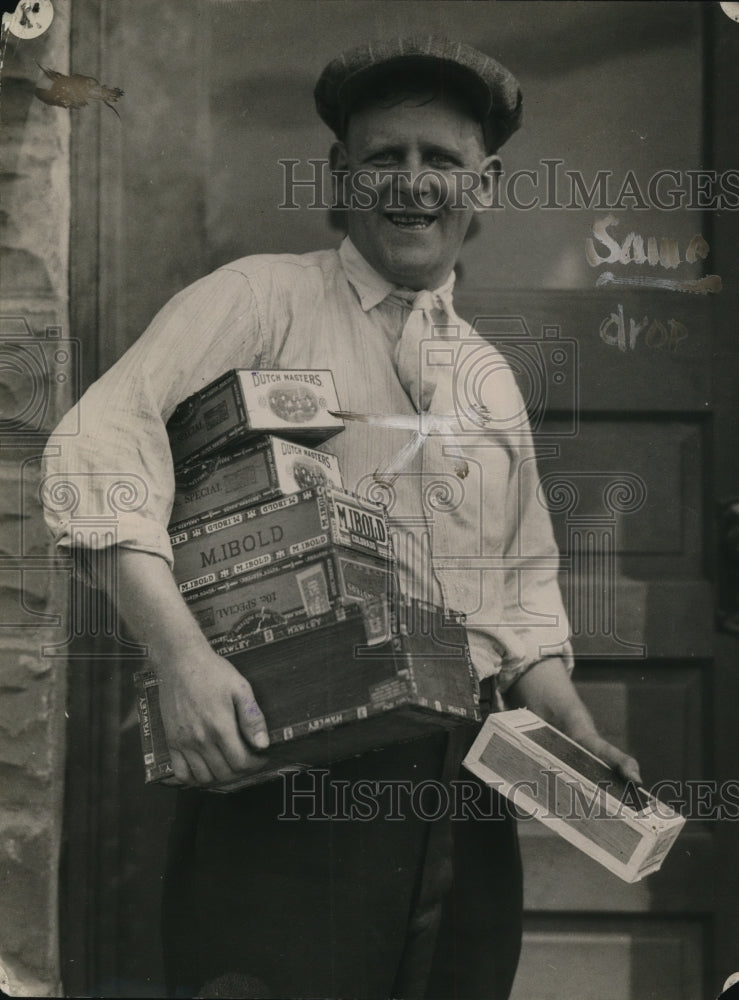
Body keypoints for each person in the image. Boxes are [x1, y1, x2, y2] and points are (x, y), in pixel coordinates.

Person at [43, 35, 641, 1000]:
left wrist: (572, 730)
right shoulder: (259, 299)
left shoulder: (488, 378)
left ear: (483, 187)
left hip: (463, 799)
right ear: (339, 175)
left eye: (440, 159)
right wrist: (182, 660)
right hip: (290, 779)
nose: (412, 183)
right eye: (383, 156)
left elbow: (521, 602)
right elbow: (95, 448)